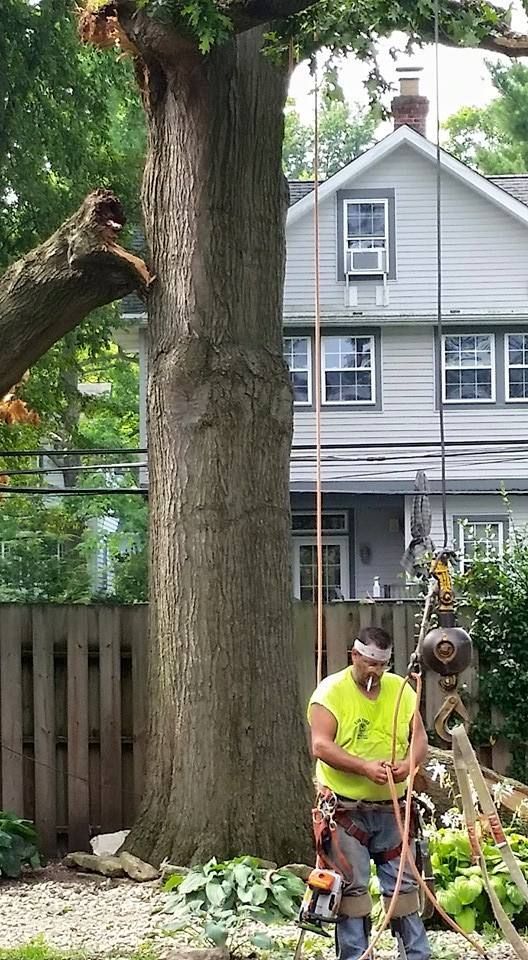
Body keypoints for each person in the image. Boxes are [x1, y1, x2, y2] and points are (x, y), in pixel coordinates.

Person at [308, 626, 430, 960]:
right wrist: (363, 768)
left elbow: (420, 737)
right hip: (346, 811)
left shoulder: (401, 690)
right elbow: (320, 745)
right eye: (369, 664)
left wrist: (409, 764)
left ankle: (416, 956)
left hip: (393, 808)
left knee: (404, 891)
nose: (375, 672)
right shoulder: (331, 691)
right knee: (352, 892)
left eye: (382, 666)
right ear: (355, 656)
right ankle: (355, 956)